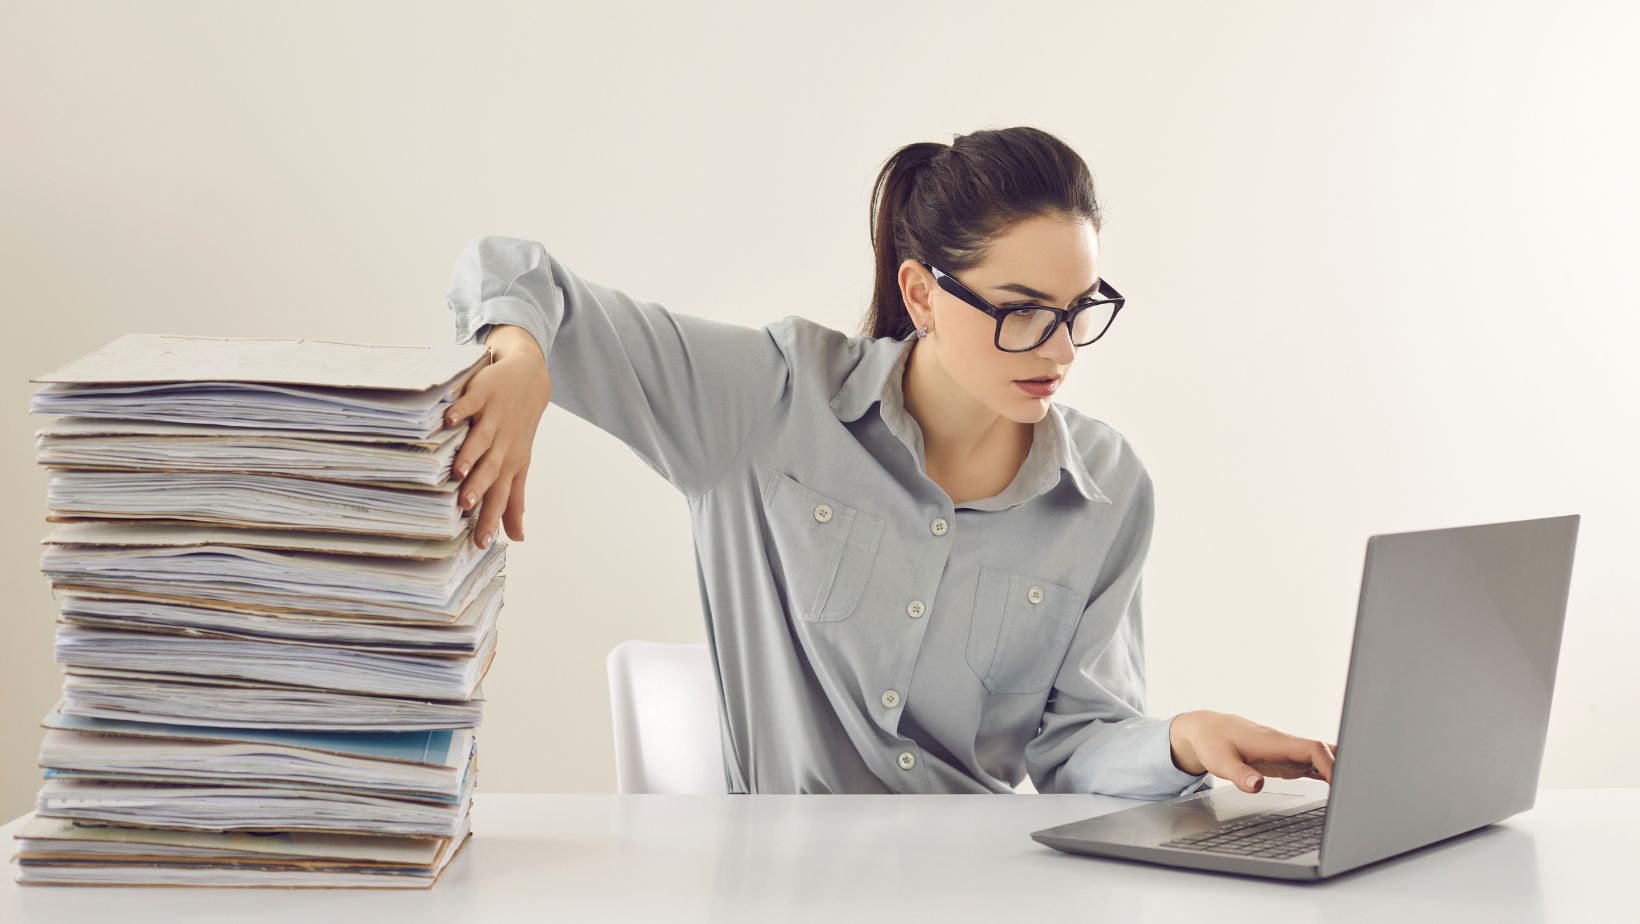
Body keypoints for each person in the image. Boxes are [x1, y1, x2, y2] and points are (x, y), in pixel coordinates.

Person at [440, 126, 1337, 797]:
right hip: (777, 889)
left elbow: (1074, 747)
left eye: (1078, 309)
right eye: (1022, 311)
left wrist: (1179, 738)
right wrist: (520, 354)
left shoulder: (1108, 492)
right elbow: (511, 268)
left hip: (978, 888)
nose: (1060, 350)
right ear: (923, 293)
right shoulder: (767, 401)